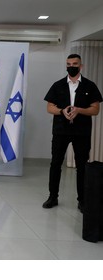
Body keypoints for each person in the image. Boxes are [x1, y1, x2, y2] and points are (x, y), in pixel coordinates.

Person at [43, 54, 102, 212]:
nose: (71, 66)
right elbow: (49, 107)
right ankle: (52, 196)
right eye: (68, 64)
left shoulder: (90, 86)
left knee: (82, 166)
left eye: (75, 64)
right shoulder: (58, 85)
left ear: (81, 66)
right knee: (55, 163)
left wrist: (79, 110)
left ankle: (82, 200)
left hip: (81, 132)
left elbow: (95, 110)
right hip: (61, 131)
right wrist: (62, 111)